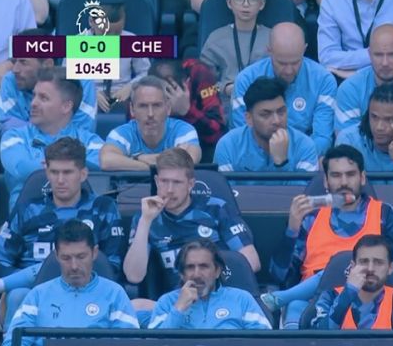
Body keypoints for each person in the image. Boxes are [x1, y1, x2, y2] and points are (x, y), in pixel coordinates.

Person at [0, 138, 123, 331]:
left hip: (86, 287)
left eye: (67, 172)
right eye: (54, 172)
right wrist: (30, 282)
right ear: (46, 171)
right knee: (18, 294)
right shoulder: (27, 210)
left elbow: (111, 265)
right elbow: (0, 261)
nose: (60, 180)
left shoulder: (103, 209)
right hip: (31, 291)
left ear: (83, 174)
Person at [263, 145, 393, 328]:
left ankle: (282, 298)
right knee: (295, 310)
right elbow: (279, 275)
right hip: (312, 301)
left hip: (369, 298)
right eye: (336, 175)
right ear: (326, 181)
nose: (344, 182)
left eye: (350, 174)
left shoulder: (384, 213)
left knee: (340, 264)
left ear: (362, 177)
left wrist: (353, 274)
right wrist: (292, 229)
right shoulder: (310, 216)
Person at [0, 218, 137, 346]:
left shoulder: (115, 294)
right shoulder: (37, 296)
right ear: (56, 256)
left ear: (94, 253)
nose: (74, 266)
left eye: (81, 257)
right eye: (66, 258)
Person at [123, 147, 260, 289]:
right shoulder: (145, 217)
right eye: (164, 181)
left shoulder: (216, 208)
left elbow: (252, 262)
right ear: (157, 182)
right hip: (176, 298)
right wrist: (145, 221)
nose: (169, 190)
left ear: (190, 184)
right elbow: (133, 276)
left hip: (219, 292)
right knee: (137, 302)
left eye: (177, 182)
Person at [0, 67, 103, 210]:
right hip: (28, 219)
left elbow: (104, 165)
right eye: (34, 96)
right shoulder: (14, 137)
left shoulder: (91, 142)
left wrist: (47, 165)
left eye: (43, 98)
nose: (33, 103)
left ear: (66, 106)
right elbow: (21, 168)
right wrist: (73, 165)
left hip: (79, 219)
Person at [231, 22, 336, 155]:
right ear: (269, 50)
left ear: (304, 49)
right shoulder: (246, 80)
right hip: (256, 158)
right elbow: (242, 135)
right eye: (281, 63)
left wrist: (291, 157)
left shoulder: (323, 80)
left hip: (305, 158)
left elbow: (322, 137)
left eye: (295, 62)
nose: (288, 71)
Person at [148, 239, 270, 330]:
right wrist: (179, 308)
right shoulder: (166, 302)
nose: (196, 274)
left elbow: (264, 344)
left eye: (204, 266)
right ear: (181, 274)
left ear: (217, 271)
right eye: (190, 267)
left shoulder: (242, 299)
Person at [214, 76, 318, 182]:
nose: (276, 121)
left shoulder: (305, 146)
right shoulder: (228, 146)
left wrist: (281, 163)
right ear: (249, 118)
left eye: (281, 112)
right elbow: (224, 191)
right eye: (265, 114)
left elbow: (303, 191)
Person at [0, 28, 97, 134]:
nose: (15, 69)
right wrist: (53, 128)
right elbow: (10, 134)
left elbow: (80, 136)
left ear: (47, 65)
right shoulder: (11, 81)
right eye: (14, 61)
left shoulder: (81, 83)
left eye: (23, 62)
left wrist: (26, 128)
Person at [310, 234, 393, 330]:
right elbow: (317, 338)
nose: (370, 269)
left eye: (378, 262)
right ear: (353, 266)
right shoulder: (330, 296)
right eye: (364, 262)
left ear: (390, 268)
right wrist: (348, 293)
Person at [99, 76, 202, 170]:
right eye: (143, 106)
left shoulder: (183, 130)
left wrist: (135, 158)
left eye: (156, 105)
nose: (150, 114)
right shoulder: (121, 133)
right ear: (132, 109)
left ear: (168, 108)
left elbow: (190, 160)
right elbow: (106, 161)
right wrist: (148, 166)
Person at [200, 0, 271, 110]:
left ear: (261, 4)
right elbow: (202, 89)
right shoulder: (216, 39)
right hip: (225, 108)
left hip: (264, 106)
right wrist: (225, 88)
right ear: (229, 2)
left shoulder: (273, 38)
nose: (246, 4)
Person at [148, 57, 226, 152]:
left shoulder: (201, 73)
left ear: (186, 83)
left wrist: (187, 111)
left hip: (201, 147)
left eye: (169, 92)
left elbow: (218, 134)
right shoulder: (146, 90)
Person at [88, 0, 150, 114]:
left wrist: (131, 87)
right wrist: (90, 92)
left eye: (117, 33)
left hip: (123, 96)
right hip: (89, 98)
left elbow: (146, 72)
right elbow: (69, 79)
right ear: (92, 22)